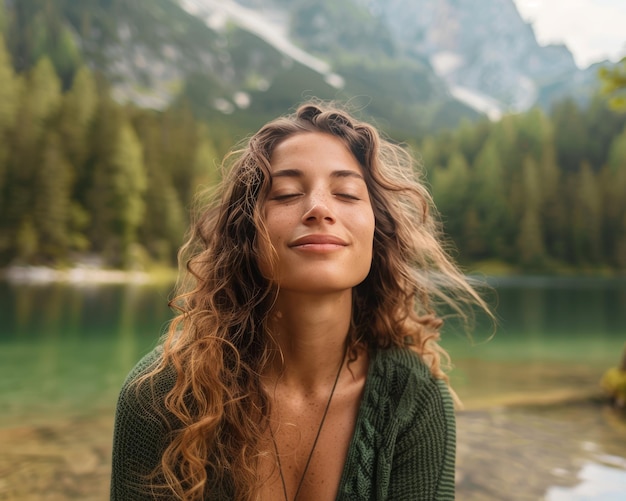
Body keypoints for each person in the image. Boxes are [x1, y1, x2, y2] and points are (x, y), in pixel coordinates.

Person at [110, 101, 489, 500]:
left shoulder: (412, 397)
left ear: (377, 233)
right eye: (287, 193)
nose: (319, 209)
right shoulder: (163, 394)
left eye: (346, 193)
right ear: (247, 233)